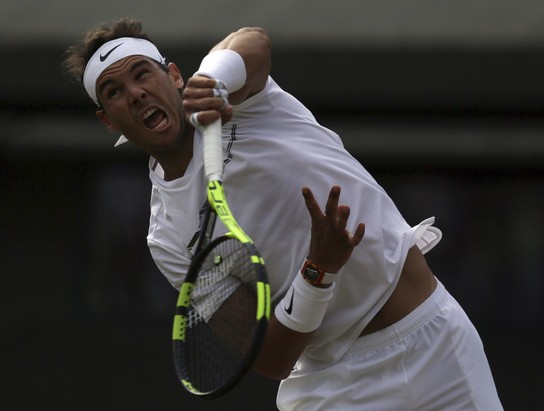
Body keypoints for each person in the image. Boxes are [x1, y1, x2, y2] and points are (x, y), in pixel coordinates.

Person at [64, 17, 503, 410]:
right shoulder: (168, 237)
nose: (136, 93)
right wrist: (318, 272)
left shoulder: (243, 101)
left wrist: (214, 79)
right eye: (115, 92)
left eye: (143, 74)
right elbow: (272, 359)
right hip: (333, 390)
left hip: (437, 344)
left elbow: (252, 42)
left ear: (174, 76)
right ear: (109, 121)